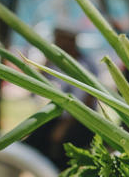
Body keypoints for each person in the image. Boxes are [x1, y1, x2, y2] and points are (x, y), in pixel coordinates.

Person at [24, 24, 98, 168]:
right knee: (31, 143)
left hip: (80, 119)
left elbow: (85, 101)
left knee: (59, 148)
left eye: (60, 38)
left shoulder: (84, 65)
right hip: (56, 116)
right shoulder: (54, 63)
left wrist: (65, 125)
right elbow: (35, 90)